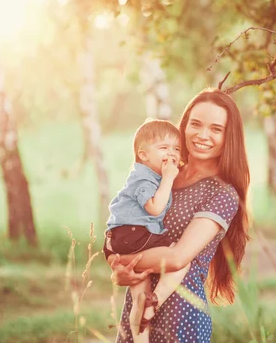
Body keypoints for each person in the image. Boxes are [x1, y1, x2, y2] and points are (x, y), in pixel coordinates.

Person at [107, 88, 250, 343]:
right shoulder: (162, 175)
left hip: (181, 316)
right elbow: (126, 224)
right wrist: (118, 268)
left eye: (216, 129)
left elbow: (176, 257)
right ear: (183, 127)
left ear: (229, 136)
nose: (202, 135)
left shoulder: (222, 194)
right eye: (195, 124)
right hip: (137, 310)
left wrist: (124, 260)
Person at [103, 119, 190, 341]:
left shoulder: (151, 175)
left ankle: (141, 332)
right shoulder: (144, 177)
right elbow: (154, 208)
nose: (171, 154)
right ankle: (156, 300)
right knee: (181, 257)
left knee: (137, 296)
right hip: (134, 235)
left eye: (176, 149)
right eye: (163, 148)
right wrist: (169, 178)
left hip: (124, 237)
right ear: (143, 155)